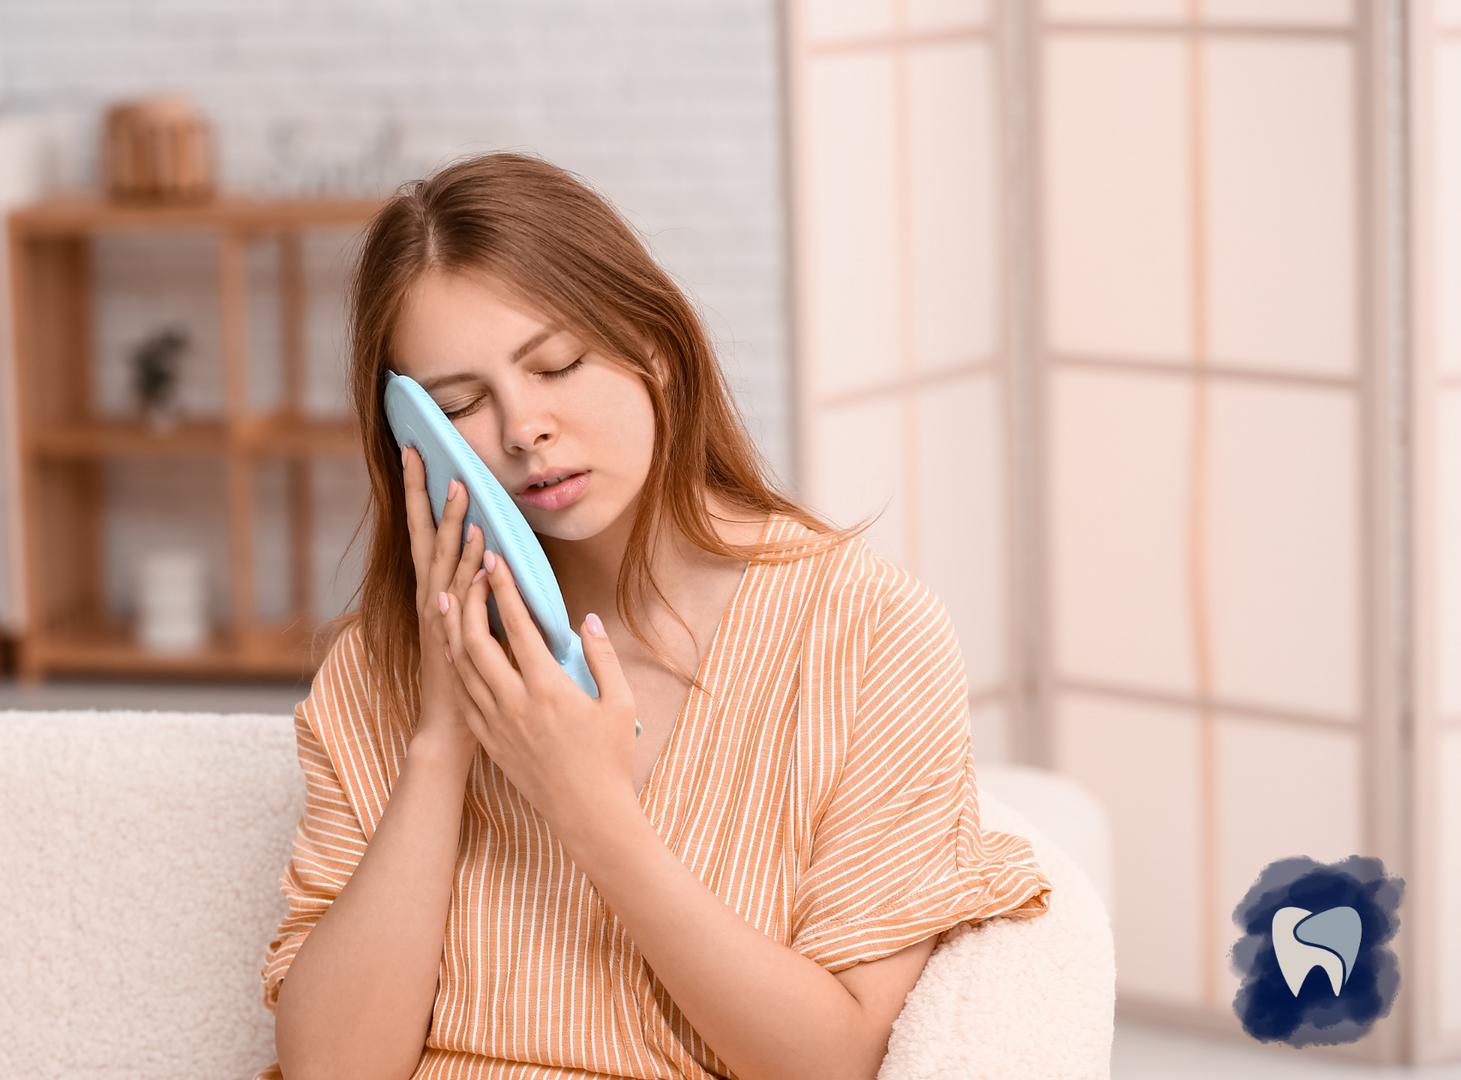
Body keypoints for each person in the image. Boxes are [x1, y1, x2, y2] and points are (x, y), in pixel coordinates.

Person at [259, 153, 1051, 1080]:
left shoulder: (868, 632)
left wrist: (590, 806)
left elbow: (833, 1064)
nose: (523, 429)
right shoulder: (386, 663)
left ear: (657, 352)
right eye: (460, 405)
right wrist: (443, 739)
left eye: (557, 365)